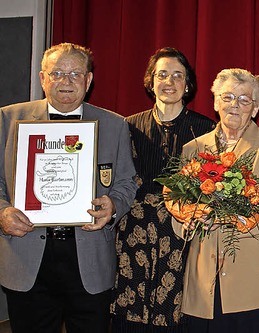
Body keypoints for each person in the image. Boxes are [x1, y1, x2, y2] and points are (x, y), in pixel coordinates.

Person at [0, 43, 137, 333]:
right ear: (42, 79)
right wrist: (2, 213)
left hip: (89, 258)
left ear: (88, 81)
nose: (66, 81)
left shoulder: (114, 125)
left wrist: (113, 208)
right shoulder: (8, 120)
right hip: (26, 259)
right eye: (57, 73)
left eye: (76, 73)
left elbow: (126, 183)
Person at [172, 68, 259, 332]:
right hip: (205, 284)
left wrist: (227, 219)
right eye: (227, 97)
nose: (234, 105)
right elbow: (178, 212)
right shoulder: (193, 148)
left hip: (256, 282)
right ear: (215, 102)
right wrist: (191, 218)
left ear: (256, 107)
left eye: (243, 100)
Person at [111, 47, 214, 332]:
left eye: (177, 75)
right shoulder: (127, 126)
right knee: (131, 315)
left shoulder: (206, 129)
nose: (169, 81)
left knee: (178, 315)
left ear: (188, 84)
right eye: (162, 74)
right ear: (151, 81)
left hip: (183, 233)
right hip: (135, 233)